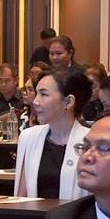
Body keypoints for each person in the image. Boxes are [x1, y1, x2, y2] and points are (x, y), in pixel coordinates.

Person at [14, 70, 92, 200]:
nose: (35, 101)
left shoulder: (91, 141)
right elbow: (21, 198)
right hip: (34, 213)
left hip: (75, 213)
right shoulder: (29, 137)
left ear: (68, 102)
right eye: (37, 94)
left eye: (44, 94)